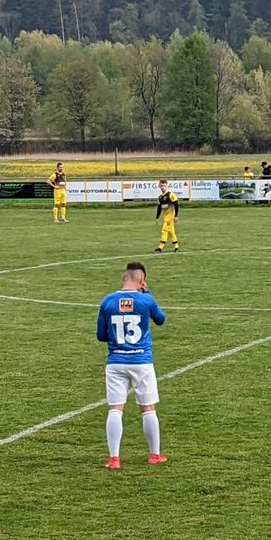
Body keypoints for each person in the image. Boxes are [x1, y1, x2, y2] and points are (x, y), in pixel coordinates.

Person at [97, 261, 167, 469]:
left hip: (116, 362)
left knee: (115, 409)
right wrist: (148, 294)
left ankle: (114, 459)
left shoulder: (108, 301)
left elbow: (101, 336)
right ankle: (154, 454)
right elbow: (161, 319)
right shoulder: (146, 300)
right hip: (141, 361)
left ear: (124, 277)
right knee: (148, 409)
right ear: (141, 280)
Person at [153, 180, 179, 253]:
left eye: (164, 186)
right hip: (165, 217)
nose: (163, 187)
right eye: (161, 186)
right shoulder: (160, 197)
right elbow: (159, 208)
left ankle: (160, 248)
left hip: (170, 217)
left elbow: (176, 205)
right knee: (171, 232)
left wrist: (176, 216)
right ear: (159, 187)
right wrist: (157, 217)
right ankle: (176, 247)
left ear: (167, 186)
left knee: (164, 231)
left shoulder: (171, 195)